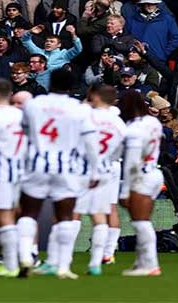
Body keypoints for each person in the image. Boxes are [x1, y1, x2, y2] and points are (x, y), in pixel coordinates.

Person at [16, 69, 100, 279]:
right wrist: (95, 169)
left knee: (29, 213)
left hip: (36, 165)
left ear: (50, 83)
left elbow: (25, 134)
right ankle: (63, 266)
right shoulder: (79, 109)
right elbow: (90, 142)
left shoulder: (33, 104)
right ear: (71, 86)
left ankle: (26, 255)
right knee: (64, 216)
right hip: (66, 168)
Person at [71, 84, 126, 276]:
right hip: (110, 167)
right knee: (106, 210)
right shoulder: (119, 122)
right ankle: (105, 255)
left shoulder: (87, 115)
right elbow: (121, 148)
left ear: (95, 97)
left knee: (74, 210)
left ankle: (64, 257)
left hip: (85, 166)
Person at [0, 79, 27, 278]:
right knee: (18, 213)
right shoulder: (21, 115)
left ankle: (10, 263)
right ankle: (26, 254)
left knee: (3, 216)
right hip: (21, 170)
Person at [118, 91, 165, 276]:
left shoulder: (133, 130)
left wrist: (124, 191)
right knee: (143, 221)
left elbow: (131, 162)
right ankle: (141, 262)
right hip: (154, 172)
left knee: (140, 223)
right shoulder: (153, 122)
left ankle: (151, 265)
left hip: (141, 177)